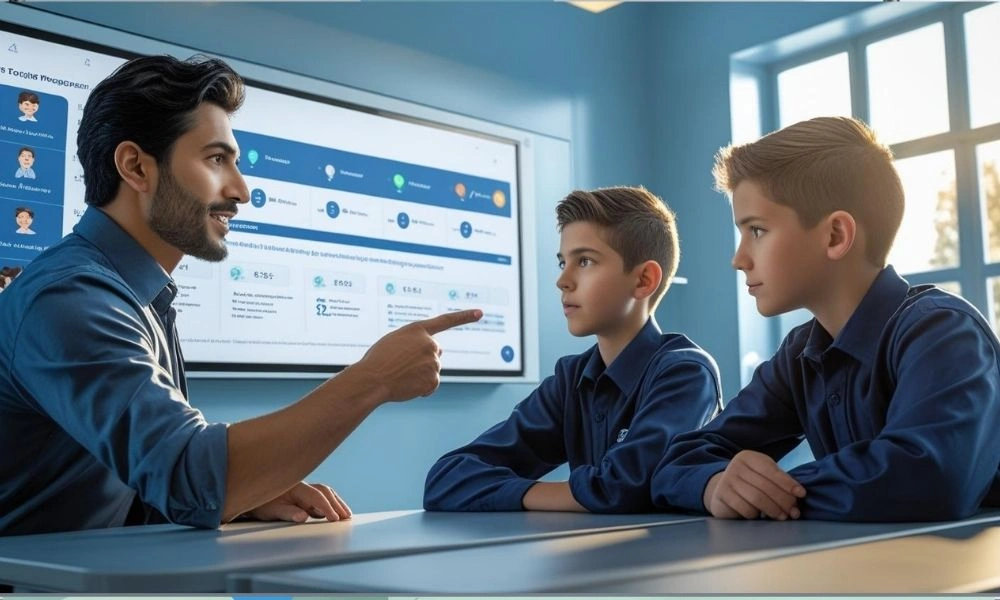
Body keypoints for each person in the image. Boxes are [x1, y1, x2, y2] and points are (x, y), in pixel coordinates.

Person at [0, 55, 481, 536]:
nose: (242, 190)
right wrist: (374, 379)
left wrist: (241, 496)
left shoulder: (136, 295)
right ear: (135, 167)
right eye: (216, 159)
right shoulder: (70, 299)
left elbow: (138, 487)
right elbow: (186, 473)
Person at [651, 116, 1000, 522]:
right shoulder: (801, 353)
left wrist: (769, 493)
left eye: (757, 231)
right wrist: (714, 484)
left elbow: (930, 477)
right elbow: (677, 461)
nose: (739, 258)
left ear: (835, 235)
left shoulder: (942, 331)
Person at [424, 186, 722, 513]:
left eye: (584, 261)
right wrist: (573, 495)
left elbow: (624, 488)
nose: (563, 280)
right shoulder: (572, 379)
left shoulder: (686, 373)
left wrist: (528, 493)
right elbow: (446, 478)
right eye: (562, 262)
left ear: (643, 280)